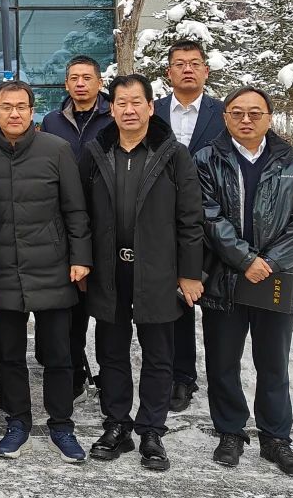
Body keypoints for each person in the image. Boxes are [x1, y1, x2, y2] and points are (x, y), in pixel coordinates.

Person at [79, 74, 203, 473]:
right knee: (111, 352)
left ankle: (151, 430)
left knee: (159, 355)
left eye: (137, 102)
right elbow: (79, 214)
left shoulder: (173, 154)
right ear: (111, 108)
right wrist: (82, 261)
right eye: (121, 103)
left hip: (158, 271)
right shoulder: (96, 152)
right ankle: (117, 424)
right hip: (109, 270)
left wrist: (189, 273)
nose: (129, 110)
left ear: (151, 106)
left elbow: (190, 219)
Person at [196, 87, 293, 478]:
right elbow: (207, 215)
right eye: (237, 112)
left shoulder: (292, 162)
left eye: (255, 113)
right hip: (224, 277)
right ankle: (230, 432)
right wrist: (245, 260)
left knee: (273, 364)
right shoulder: (207, 159)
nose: (246, 119)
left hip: (276, 280)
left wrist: (270, 262)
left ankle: (276, 438)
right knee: (222, 362)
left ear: (269, 117)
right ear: (225, 117)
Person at [0, 80, 91, 462]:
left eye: (21, 106)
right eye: (6, 107)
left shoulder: (56, 150)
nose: (14, 113)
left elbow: (75, 210)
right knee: (8, 353)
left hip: (52, 266)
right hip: (3, 267)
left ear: (32, 111)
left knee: (59, 353)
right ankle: (17, 421)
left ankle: (61, 424)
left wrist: (80, 258)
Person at [153, 40, 226, 413]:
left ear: (206, 71)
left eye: (194, 63)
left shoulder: (223, 112)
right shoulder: (153, 111)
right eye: (179, 63)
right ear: (169, 72)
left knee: (215, 304)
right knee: (176, 302)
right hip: (165, 221)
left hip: (214, 219)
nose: (187, 69)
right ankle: (180, 377)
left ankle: (223, 380)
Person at [41, 54, 112, 398]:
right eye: (74, 78)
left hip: (107, 220)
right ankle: (72, 372)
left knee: (107, 305)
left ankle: (110, 373)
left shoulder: (113, 116)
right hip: (64, 221)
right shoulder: (52, 120)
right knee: (71, 305)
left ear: (100, 82)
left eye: (87, 77)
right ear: (66, 83)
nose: (80, 83)